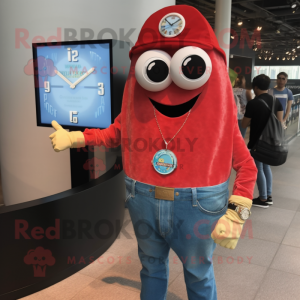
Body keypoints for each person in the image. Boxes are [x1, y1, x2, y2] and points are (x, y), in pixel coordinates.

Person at [49, 6, 257, 300]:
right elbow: (114, 134)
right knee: (151, 267)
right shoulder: (136, 106)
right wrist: (75, 136)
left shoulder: (219, 115)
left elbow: (246, 166)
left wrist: (236, 213)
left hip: (197, 204)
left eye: (189, 67)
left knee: (198, 273)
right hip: (143, 197)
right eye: (156, 68)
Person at [242, 74, 283, 208]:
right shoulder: (276, 101)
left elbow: (244, 124)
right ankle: (268, 196)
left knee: (259, 168)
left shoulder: (253, 103)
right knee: (266, 167)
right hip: (272, 141)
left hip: (257, 142)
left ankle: (263, 199)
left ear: (255, 87)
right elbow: (280, 122)